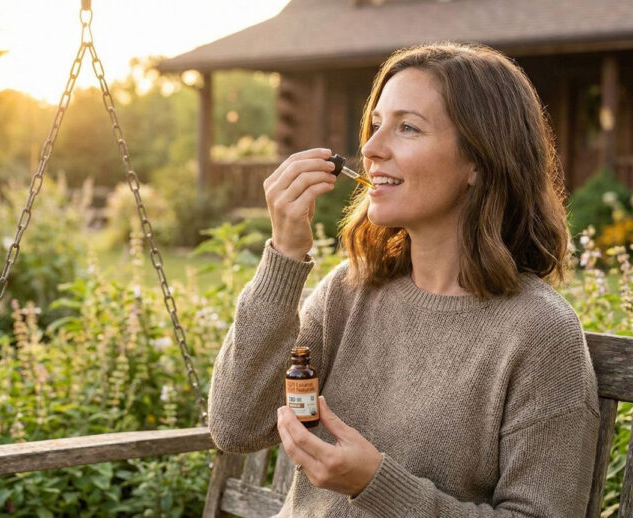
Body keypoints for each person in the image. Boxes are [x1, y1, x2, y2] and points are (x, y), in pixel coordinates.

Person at [208, 42, 600, 517]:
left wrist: (375, 485)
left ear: (479, 162)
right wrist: (285, 256)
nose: (370, 149)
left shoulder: (539, 332)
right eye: (376, 125)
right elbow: (237, 426)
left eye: (407, 127)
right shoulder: (349, 293)